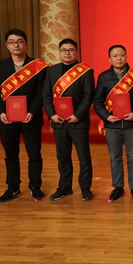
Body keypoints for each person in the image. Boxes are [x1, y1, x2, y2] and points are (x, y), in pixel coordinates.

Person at [0, 29, 48, 203]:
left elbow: (41, 93)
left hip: (31, 117)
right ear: (7, 45)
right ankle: (13, 187)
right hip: (7, 119)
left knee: (34, 154)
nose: (16, 45)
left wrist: (32, 111)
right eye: (12, 42)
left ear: (26, 44)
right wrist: (1, 112)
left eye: (20, 41)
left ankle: (35, 186)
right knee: (10, 154)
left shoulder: (38, 66)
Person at [43, 38, 95, 201]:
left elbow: (88, 96)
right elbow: (46, 95)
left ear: (76, 52)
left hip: (78, 121)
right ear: (59, 52)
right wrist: (52, 114)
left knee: (83, 157)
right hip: (58, 121)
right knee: (63, 156)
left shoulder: (85, 71)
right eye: (64, 50)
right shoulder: (51, 71)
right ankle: (65, 187)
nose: (67, 53)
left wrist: (77, 115)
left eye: (71, 50)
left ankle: (85, 188)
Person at [93, 45, 133, 201]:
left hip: (131, 124)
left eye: (122, 55)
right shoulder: (103, 77)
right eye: (115, 56)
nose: (119, 58)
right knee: (115, 157)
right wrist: (106, 117)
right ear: (109, 59)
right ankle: (118, 187)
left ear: (126, 56)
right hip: (112, 125)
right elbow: (97, 101)